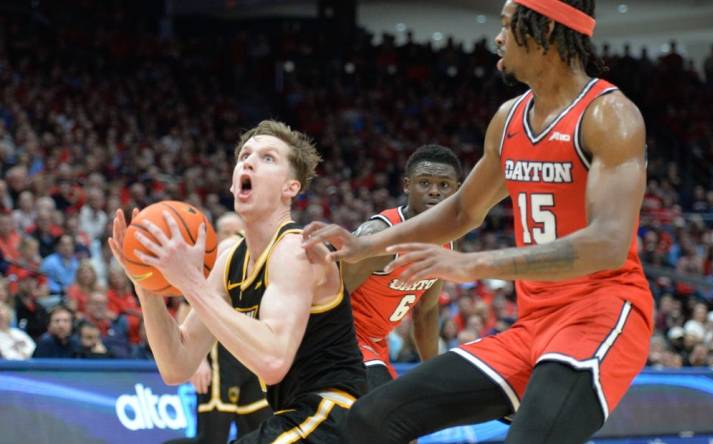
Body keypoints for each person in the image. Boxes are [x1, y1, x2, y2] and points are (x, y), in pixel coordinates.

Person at [303, 1, 652, 442]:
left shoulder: (609, 116)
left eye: (507, 25)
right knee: (373, 417)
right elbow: (463, 212)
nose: (497, 37)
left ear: (544, 29)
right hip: (533, 326)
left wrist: (472, 266)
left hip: (601, 315)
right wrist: (367, 246)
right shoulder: (509, 118)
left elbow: (607, 243)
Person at [108, 120, 366, 443]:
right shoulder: (231, 259)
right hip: (295, 417)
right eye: (245, 155)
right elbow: (177, 365)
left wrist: (191, 282)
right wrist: (146, 285)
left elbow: (273, 361)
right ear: (233, 185)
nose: (249, 161)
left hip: (335, 415)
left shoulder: (297, 250)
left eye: (268, 157)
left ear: (291, 187)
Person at [345, 144, 462, 388]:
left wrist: (433, 371)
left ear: (457, 191)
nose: (434, 192)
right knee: (380, 414)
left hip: (376, 343)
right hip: (343, 337)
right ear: (407, 185)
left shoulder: (446, 242)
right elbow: (329, 294)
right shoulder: (381, 235)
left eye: (444, 185)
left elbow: (427, 311)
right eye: (425, 182)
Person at [178, 211, 271, 444]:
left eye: (237, 232)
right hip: (219, 356)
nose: (232, 238)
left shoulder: (262, 262)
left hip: (251, 356)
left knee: (259, 431)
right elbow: (185, 309)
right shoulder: (211, 265)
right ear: (217, 236)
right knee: (212, 437)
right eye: (227, 233)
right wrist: (198, 360)